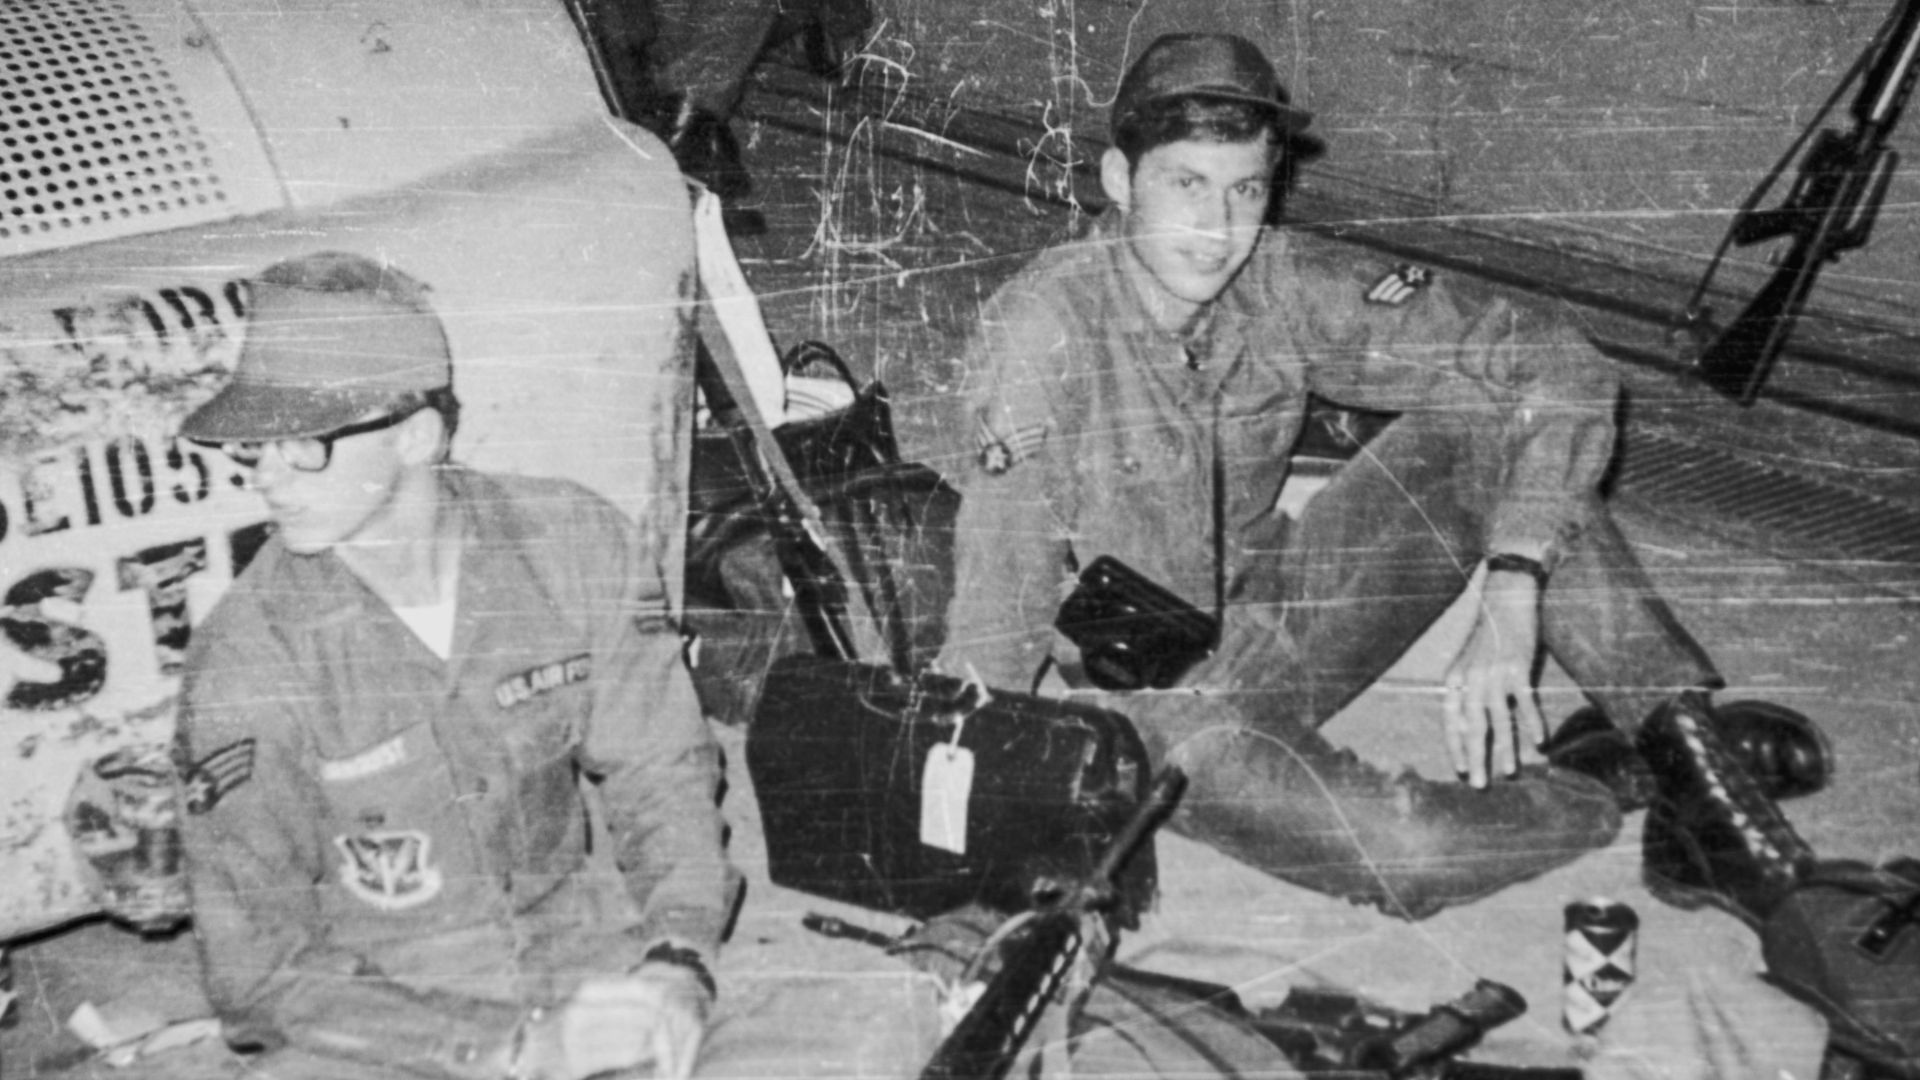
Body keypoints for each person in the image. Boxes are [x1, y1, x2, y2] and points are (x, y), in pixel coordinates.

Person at [935, 33, 1831, 922]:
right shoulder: (1044, 330)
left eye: (1245, 190)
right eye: (1186, 185)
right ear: (1121, 181)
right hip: (1163, 710)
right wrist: (956, 791)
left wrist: (1515, 580)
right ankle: (1607, 775)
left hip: (1288, 602)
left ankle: (1700, 779)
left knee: (1492, 422)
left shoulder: (1276, 279)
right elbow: (998, 598)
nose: (1218, 230)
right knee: (1416, 857)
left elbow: (1558, 364)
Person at [166, 252, 940, 1080]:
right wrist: (514, 1051)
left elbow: (661, 774)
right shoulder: (247, 657)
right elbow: (258, 975)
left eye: (306, 445)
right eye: (256, 446)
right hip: (388, 1018)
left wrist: (677, 962)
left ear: (416, 436)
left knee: (887, 1018)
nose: (267, 477)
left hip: (579, 955)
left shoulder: (568, 542)